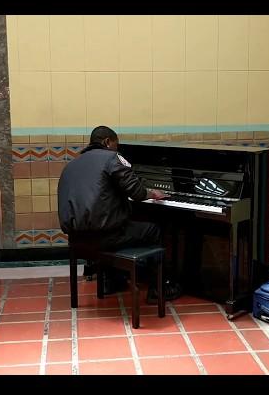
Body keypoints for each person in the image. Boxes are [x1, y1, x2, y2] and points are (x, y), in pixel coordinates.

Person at [58, 125, 182, 300]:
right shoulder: (111, 158)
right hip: (105, 237)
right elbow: (136, 192)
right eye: (117, 144)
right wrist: (152, 193)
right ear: (107, 142)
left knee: (114, 222)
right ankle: (159, 288)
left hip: (77, 238)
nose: (118, 148)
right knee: (154, 230)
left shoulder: (72, 164)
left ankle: (111, 280)